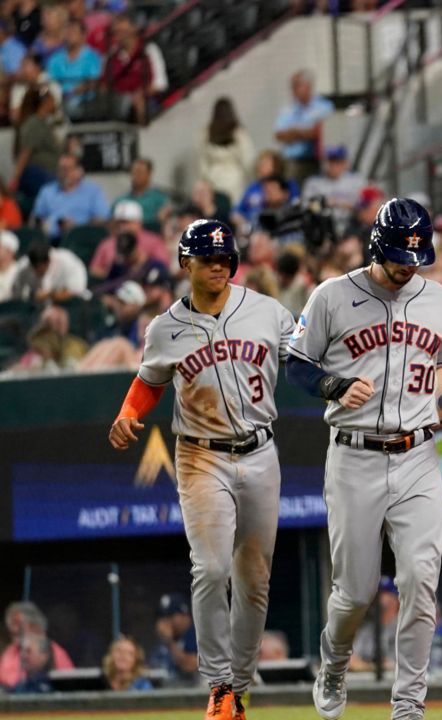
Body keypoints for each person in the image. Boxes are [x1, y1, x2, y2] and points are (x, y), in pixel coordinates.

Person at [287, 197, 442, 720]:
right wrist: (333, 384)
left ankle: (409, 705)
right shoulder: (332, 296)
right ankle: (335, 663)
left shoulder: (436, 298)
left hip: (418, 452)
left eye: (415, 257)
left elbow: (441, 367)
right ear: (377, 246)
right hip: (354, 457)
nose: (407, 265)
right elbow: (297, 364)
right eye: (398, 255)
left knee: (420, 579)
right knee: (355, 592)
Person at [108, 220, 294, 720]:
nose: (218, 265)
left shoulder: (265, 310)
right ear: (184, 263)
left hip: (259, 452)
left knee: (254, 579)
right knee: (211, 569)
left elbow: (302, 359)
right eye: (208, 258)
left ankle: (240, 684)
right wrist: (129, 414)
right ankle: (218, 687)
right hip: (200, 454)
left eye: (225, 258)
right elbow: (149, 381)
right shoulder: (165, 327)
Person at [31, 153, 111, 241]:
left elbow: (102, 220)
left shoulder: (93, 191)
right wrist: (43, 224)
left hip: (81, 240)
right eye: (60, 169)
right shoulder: (47, 191)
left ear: (79, 171)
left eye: (67, 169)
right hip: (50, 240)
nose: (63, 173)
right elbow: (35, 219)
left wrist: (78, 227)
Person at [274, 70, 333, 183]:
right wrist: (305, 133)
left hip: (317, 161)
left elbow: (322, 133)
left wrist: (295, 133)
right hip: (292, 161)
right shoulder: (288, 109)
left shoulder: (323, 107)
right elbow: (279, 135)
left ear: (308, 86)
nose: (293, 91)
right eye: (292, 87)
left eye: (297, 86)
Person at [9, 84, 61, 199]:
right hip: (39, 175)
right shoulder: (33, 124)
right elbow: (25, 153)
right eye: (52, 100)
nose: (55, 103)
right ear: (45, 102)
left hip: (50, 172)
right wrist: (15, 179)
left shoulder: (44, 123)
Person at [201, 97, 256, 203]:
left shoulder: (206, 132)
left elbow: (203, 163)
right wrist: (252, 181)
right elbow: (247, 159)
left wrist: (205, 180)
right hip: (235, 178)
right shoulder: (239, 133)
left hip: (214, 178)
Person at [45, 19, 100, 119]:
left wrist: (73, 91)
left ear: (83, 35)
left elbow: (94, 82)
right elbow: (50, 81)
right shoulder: (55, 59)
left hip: (84, 101)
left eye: (73, 32)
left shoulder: (93, 57)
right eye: (67, 32)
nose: (69, 35)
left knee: (71, 105)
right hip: (57, 100)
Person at [114, 157, 170, 227]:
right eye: (134, 172)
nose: (136, 176)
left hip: (152, 233)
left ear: (149, 174)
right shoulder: (121, 200)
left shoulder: (159, 198)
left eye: (140, 172)